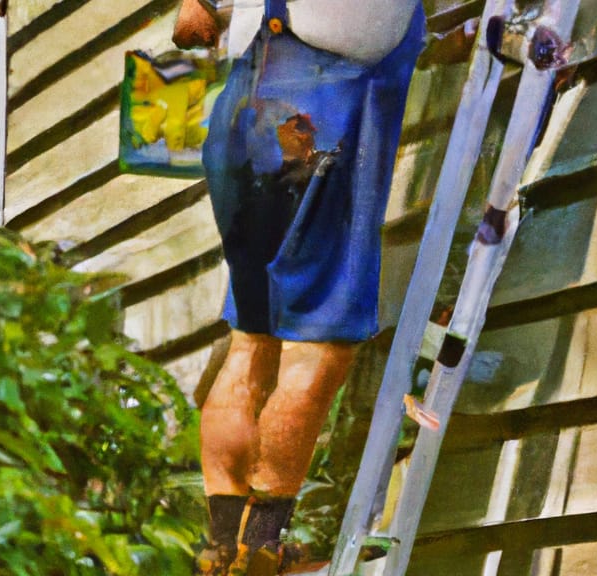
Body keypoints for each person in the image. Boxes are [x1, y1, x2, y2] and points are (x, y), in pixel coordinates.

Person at [173, 1, 424, 573]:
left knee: (251, 341)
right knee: (319, 346)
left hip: (241, 111)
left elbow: (193, 24)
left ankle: (224, 545)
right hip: (319, 114)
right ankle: (263, 545)